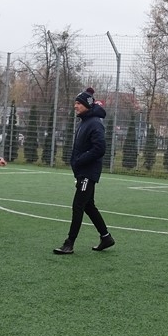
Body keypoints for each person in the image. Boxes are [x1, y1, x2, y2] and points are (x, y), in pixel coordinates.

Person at [53, 88, 115, 255]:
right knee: (89, 205)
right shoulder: (85, 122)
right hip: (83, 172)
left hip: (88, 172)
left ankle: (69, 243)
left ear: (87, 105)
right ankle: (106, 237)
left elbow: (100, 149)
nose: (75, 106)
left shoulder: (95, 123)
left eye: (78, 103)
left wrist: (80, 160)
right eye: (75, 103)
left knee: (78, 205)